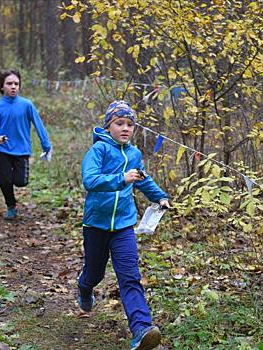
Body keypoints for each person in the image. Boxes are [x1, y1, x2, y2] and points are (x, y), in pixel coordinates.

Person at [78, 100, 169, 350]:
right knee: (94, 273)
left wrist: (159, 196)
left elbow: (142, 178)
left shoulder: (134, 154)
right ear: (109, 126)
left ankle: (141, 329)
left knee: (130, 277)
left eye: (130, 124)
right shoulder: (98, 151)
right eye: (120, 123)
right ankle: (84, 286)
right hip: (95, 225)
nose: (125, 128)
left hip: (123, 227)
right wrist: (121, 178)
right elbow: (91, 180)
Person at [0, 70, 52, 220]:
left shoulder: (27, 105)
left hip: (22, 150)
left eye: (16, 84)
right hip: (3, 148)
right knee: (4, 180)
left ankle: (14, 185)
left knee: (21, 182)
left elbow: (38, 125)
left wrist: (46, 146)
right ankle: (11, 206)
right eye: (9, 84)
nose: (13, 86)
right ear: (2, 87)